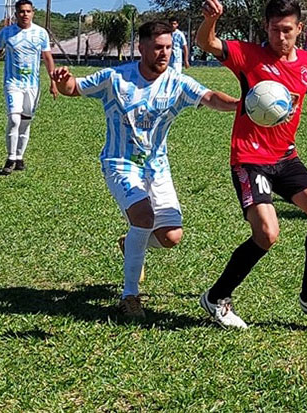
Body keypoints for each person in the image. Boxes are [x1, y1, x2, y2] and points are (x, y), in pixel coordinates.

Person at [50, 20, 240, 320]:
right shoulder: (116, 78)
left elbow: (211, 98)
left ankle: (131, 243)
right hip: (120, 162)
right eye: (157, 48)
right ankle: (129, 297)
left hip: (157, 167)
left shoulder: (177, 82)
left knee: (171, 236)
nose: (163, 54)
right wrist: (63, 81)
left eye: (168, 47)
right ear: (141, 48)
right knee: (143, 217)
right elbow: (75, 88)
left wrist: (242, 105)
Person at [196, 0, 307, 330]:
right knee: (268, 234)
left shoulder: (306, 63)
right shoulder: (249, 55)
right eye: (274, 29)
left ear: (300, 29)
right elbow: (206, 42)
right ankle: (216, 297)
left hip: (285, 157)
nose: (280, 37)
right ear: (266, 28)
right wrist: (211, 19)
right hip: (249, 159)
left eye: (287, 30)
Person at [0, 0, 58, 175]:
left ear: (33, 13)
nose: (25, 14)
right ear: (16, 13)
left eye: (28, 11)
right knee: (14, 119)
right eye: (21, 11)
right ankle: (10, 158)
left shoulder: (41, 33)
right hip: (13, 83)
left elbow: (47, 58)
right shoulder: (7, 33)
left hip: (32, 85)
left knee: (26, 122)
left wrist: (53, 81)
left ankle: (19, 157)